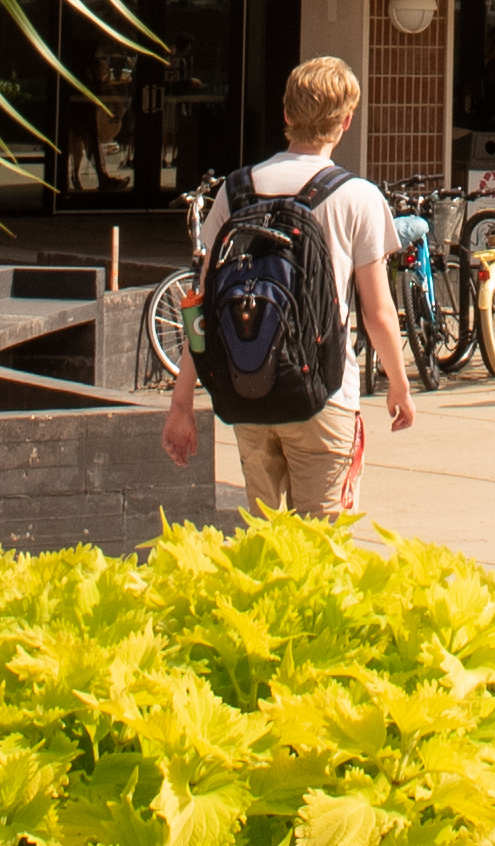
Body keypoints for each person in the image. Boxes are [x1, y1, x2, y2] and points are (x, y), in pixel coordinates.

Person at [158, 54, 418, 520]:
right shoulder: (357, 196)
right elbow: (378, 313)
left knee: (264, 546)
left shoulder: (233, 192)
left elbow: (199, 308)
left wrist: (182, 403)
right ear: (346, 121)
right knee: (318, 551)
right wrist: (399, 385)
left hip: (248, 389)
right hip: (325, 394)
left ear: (286, 115)